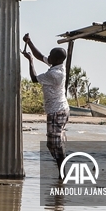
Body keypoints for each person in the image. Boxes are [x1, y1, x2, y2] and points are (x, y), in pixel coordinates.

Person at [21, 33, 69, 169]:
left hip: (57, 111)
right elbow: (40, 56)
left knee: (55, 143)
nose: (49, 57)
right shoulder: (57, 65)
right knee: (53, 143)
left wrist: (30, 61)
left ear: (57, 59)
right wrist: (29, 42)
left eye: (51, 55)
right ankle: (62, 169)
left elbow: (34, 78)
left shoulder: (55, 74)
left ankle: (63, 172)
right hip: (58, 109)